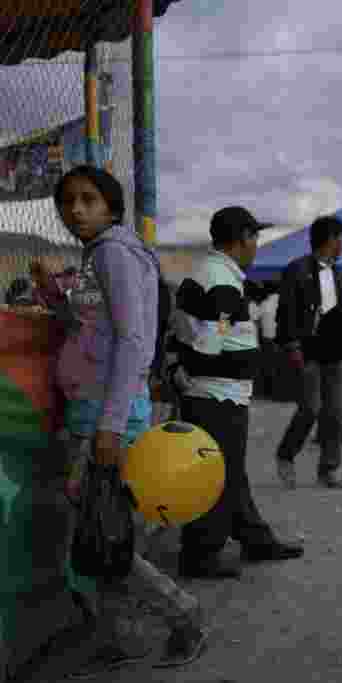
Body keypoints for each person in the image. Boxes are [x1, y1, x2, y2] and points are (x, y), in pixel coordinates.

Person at [36, 166, 205, 676]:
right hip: (97, 409)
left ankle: (183, 614)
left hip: (104, 416)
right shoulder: (101, 255)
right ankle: (114, 636)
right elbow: (92, 332)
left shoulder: (113, 253)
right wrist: (51, 296)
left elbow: (134, 341)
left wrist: (109, 426)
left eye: (89, 199)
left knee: (99, 535)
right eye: (67, 201)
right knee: (93, 532)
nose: (76, 210)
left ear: (111, 207)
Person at [171, 206, 304, 579]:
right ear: (243, 238)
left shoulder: (215, 274)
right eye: (255, 238)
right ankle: (201, 553)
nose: (256, 246)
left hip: (216, 390)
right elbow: (214, 340)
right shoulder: (222, 282)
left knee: (229, 470)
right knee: (216, 472)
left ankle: (254, 537)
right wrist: (237, 358)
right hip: (217, 393)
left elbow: (212, 331)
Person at [273, 215, 342, 490]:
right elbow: (285, 312)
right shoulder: (296, 270)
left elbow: (338, 311)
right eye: (341, 238)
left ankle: (330, 469)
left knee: (337, 413)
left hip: (336, 352)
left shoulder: (336, 272)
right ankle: (286, 454)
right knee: (311, 409)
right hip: (307, 351)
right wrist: (292, 346)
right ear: (331, 239)